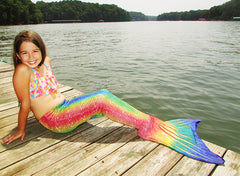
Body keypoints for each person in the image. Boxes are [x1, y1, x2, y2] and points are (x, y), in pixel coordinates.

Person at [1, 30, 224, 165]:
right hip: (54, 120)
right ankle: (149, 126)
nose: (30, 57)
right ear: (17, 55)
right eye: (24, 53)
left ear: (41, 50)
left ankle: (152, 124)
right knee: (101, 99)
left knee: (103, 96)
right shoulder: (22, 71)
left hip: (65, 106)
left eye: (35, 51)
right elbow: (24, 103)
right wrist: (21, 129)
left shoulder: (45, 61)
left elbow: (47, 82)